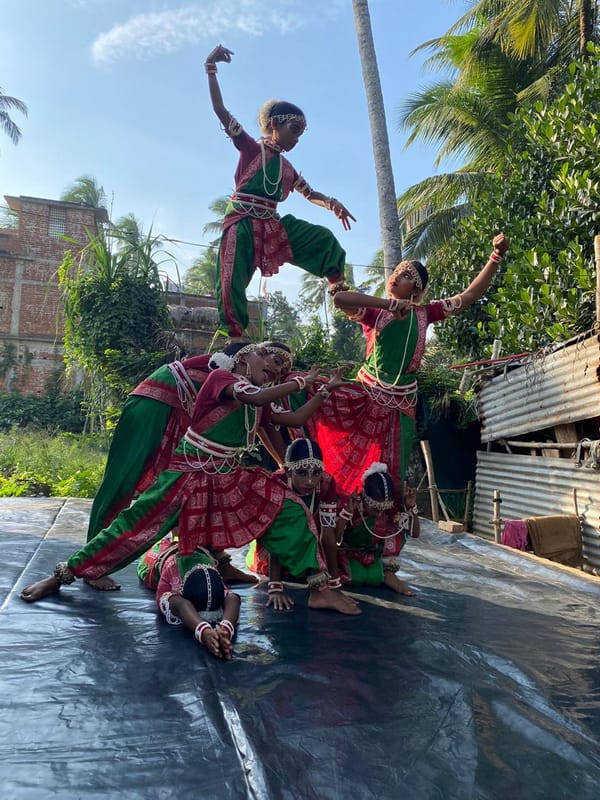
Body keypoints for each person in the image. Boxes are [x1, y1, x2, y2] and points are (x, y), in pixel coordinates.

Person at [21, 344, 358, 615]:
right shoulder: (221, 381)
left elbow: (293, 417)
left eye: (284, 368)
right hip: (188, 473)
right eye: (272, 357)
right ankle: (60, 576)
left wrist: (323, 392)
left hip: (226, 476)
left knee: (289, 507)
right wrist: (299, 382)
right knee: (135, 527)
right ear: (245, 354)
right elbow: (253, 395)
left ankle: (319, 590)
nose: (278, 368)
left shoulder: (257, 401)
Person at [307, 234, 510, 494]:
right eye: (397, 270)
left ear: (415, 288)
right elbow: (340, 300)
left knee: (393, 468)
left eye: (405, 275)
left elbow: (468, 296)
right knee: (350, 451)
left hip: (403, 400)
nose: (395, 275)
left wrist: (495, 257)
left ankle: (388, 522)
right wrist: (388, 304)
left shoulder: (426, 313)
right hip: (367, 392)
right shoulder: (377, 312)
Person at [84, 343, 294, 590]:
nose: (277, 373)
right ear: (255, 354)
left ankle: (219, 561)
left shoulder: (254, 381)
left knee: (210, 493)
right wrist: (285, 462)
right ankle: (92, 562)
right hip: (156, 401)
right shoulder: (233, 370)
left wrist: (285, 463)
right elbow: (264, 421)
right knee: (124, 478)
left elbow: (265, 422)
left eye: (283, 372)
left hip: (187, 414)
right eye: (277, 363)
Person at [204, 44, 356, 337]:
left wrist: (332, 203)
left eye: (301, 132)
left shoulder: (287, 169)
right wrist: (210, 69)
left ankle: (339, 288)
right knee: (231, 276)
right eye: (294, 129)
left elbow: (309, 193)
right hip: (243, 222)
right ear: (274, 124)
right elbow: (221, 111)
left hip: (271, 224)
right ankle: (236, 338)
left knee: (323, 239)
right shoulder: (251, 149)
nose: (297, 137)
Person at [247, 437, 349, 611]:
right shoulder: (277, 483)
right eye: (302, 473)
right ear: (288, 472)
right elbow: (276, 537)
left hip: (310, 541)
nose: (310, 481)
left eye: (316, 472)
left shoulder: (326, 483)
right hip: (273, 549)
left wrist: (334, 585)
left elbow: (328, 535)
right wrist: (275, 588)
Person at [137, 537, 241, 660]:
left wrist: (225, 629)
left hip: (197, 551)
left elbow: (232, 597)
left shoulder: (211, 573)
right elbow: (179, 604)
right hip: (159, 553)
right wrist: (204, 632)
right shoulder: (170, 575)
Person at [336, 463, 420, 595]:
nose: (380, 513)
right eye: (376, 509)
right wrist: (347, 513)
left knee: (375, 578)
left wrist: (412, 508)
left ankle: (389, 574)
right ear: (365, 499)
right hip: (349, 554)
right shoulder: (353, 508)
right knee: (357, 578)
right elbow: (335, 538)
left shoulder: (390, 512)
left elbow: (414, 533)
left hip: (373, 556)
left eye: (383, 509)